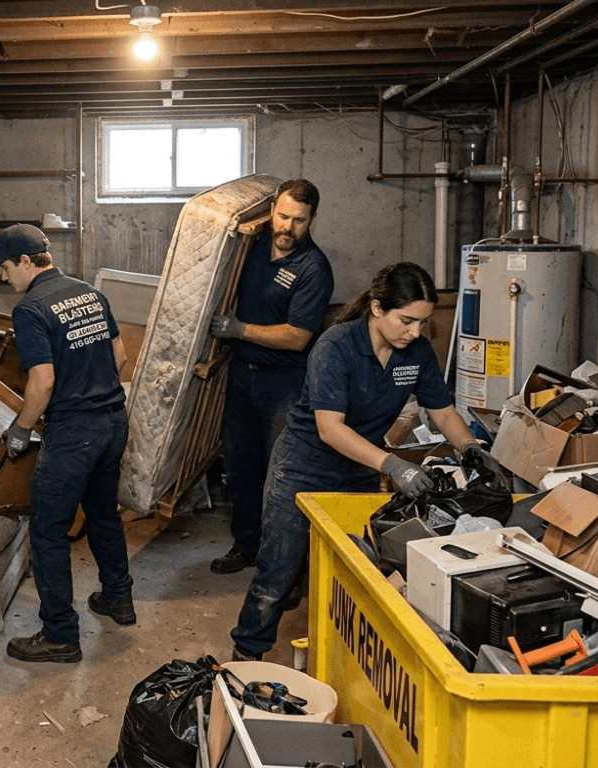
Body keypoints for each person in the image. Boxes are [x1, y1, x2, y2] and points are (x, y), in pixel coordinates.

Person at [229, 262, 499, 661]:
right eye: (406, 320)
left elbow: (441, 411)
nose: (416, 332)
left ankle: (346, 660)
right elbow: (330, 428)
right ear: (377, 309)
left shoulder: (417, 352)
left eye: (422, 323)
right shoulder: (336, 346)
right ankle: (246, 656)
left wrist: (471, 447)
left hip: (358, 468)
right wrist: (394, 466)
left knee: (358, 566)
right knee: (279, 568)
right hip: (303, 466)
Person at [0, 223, 133, 664]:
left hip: (73, 433)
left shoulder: (30, 309)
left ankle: (61, 635)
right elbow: (120, 357)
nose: (4, 277)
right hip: (113, 422)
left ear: (27, 262)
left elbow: (42, 381)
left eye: (6, 267)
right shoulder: (89, 292)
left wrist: (21, 428)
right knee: (104, 514)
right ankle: (118, 599)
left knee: (48, 530)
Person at [208, 179, 334, 575]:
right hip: (241, 376)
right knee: (241, 467)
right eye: (282, 216)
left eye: (299, 220)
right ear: (272, 210)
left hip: (284, 383)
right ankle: (246, 545)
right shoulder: (252, 244)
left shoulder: (313, 268)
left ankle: (283, 565)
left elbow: (297, 337)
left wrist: (239, 330)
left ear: (312, 219)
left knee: (280, 473)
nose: (288, 227)